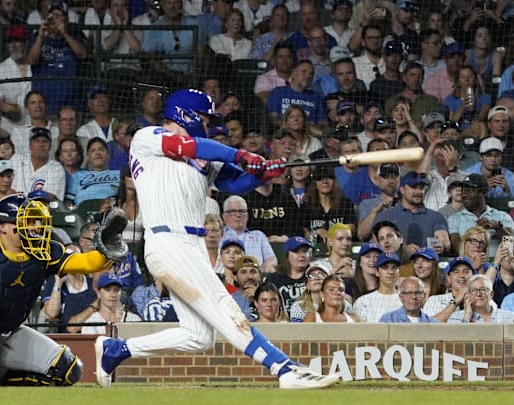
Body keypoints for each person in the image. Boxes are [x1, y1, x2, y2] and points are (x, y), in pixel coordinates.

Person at [94, 89, 339, 389]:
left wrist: (263, 173)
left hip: (192, 246)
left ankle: (116, 350)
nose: (208, 125)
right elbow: (187, 145)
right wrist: (241, 155)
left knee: (199, 336)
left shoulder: (202, 159)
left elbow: (235, 183)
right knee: (225, 306)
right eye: (206, 119)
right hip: (167, 241)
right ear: (187, 114)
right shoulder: (148, 138)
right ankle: (284, 368)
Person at [0, 193, 120, 386]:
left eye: (33, 222)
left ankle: (3, 380)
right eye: (23, 222)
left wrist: (106, 253)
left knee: (69, 369)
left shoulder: (43, 250)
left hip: (8, 331)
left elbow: (84, 263)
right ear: (2, 226)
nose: (32, 227)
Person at [27, 1, 88, 115]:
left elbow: (83, 54)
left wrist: (64, 33)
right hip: (45, 105)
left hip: (71, 104)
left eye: (59, 16)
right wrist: (41, 38)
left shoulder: (75, 34)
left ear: (66, 19)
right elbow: (31, 60)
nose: (55, 19)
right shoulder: (37, 36)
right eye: (53, 15)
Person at [10, 127, 66, 200]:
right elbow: (6, 190)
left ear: (50, 146)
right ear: (30, 145)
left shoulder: (56, 168)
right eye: (37, 141)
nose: (41, 144)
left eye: (45, 141)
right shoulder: (17, 160)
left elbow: (51, 197)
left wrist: (19, 194)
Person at [0, 25, 32, 126]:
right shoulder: (1, 69)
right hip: (11, 124)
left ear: (26, 43)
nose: (14, 45)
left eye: (18, 41)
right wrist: (2, 106)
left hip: (34, 120)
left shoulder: (36, 65)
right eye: (10, 42)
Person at [66, 138, 121, 207]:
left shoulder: (119, 174)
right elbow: (68, 201)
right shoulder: (77, 176)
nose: (97, 153)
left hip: (113, 211)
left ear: (108, 154)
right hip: (83, 213)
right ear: (88, 157)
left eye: (101, 149)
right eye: (93, 151)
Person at [422, 256, 476, 322]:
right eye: (456, 272)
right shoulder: (434, 300)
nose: (461, 275)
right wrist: (456, 301)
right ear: (449, 277)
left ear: (473, 276)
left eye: (466, 272)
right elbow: (427, 326)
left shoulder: (482, 300)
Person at [448, 275, 514, 323]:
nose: (478, 294)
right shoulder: (456, 317)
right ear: (468, 294)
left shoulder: (511, 317)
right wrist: (467, 316)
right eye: (473, 290)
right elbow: (458, 343)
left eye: (483, 289)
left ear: (491, 294)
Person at [352, 252, 402, 322]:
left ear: (399, 272)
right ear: (376, 272)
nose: (390, 272)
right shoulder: (362, 302)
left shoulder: (408, 301)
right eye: (385, 267)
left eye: (394, 268)